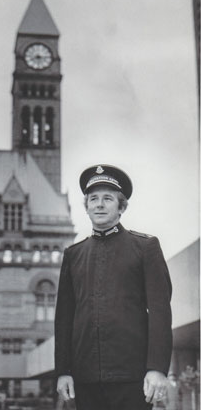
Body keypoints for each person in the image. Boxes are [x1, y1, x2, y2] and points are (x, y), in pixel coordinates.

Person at [55, 164, 172, 410]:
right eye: (93, 199)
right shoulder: (73, 255)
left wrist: (157, 368)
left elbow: (160, 313)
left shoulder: (145, 248)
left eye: (108, 199)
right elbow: (64, 318)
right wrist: (63, 370)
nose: (99, 204)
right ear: (86, 207)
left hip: (133, 377)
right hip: (84, 377)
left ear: (121, 207)